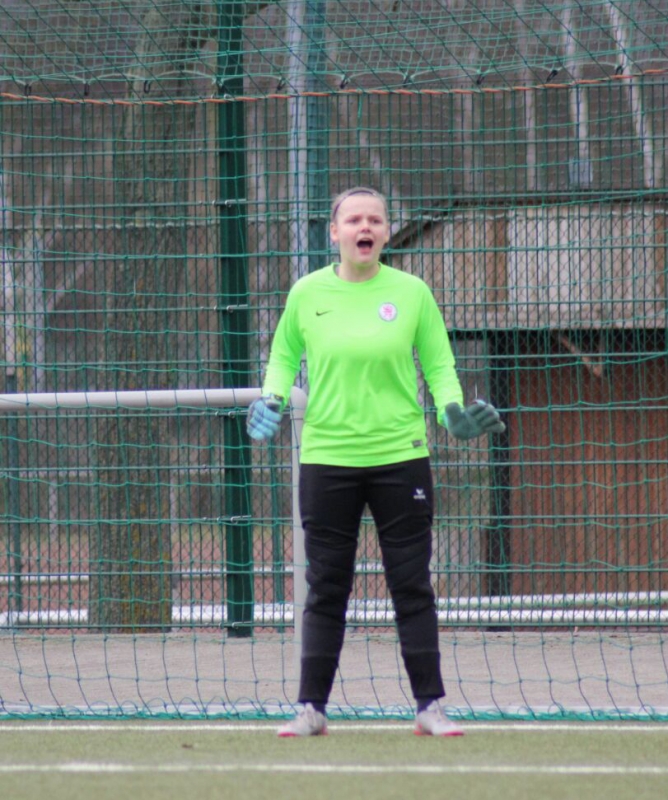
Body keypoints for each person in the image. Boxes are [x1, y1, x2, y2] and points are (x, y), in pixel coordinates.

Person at [246, 186, 504, 737]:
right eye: (354, 220)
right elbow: (283, 356)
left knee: (412, 586)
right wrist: (271, 397)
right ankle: (310, 709)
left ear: (386, 232)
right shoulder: (307, 293)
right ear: (334, 232)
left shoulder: (412, 293)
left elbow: (439, 363)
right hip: (327, 460)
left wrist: (452, 411)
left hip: (400, 458)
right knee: (326, 588)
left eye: (375, 220)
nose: (365, 227)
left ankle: (430, 707)